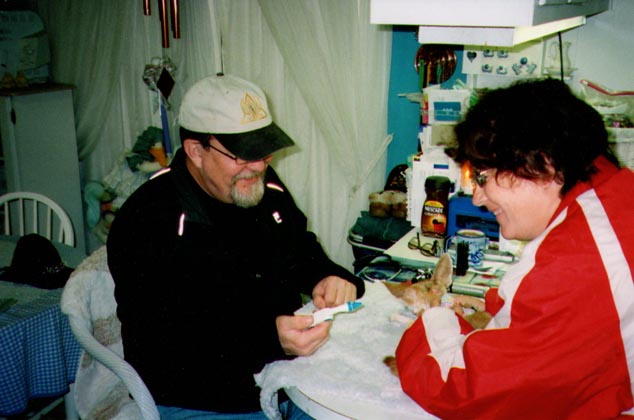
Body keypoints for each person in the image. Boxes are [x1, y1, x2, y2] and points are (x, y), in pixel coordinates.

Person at [107, 73, 365, 419]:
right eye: (243, 155)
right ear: (196, 151)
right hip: (200, 398)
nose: (258, 167)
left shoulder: (258, 185)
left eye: (263, 153)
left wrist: (328, 277)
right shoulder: (148, 221)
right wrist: (270, 341)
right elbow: (165, 344)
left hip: (285, 377)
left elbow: (299, 250)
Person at [395, 78, 634, 418]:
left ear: (541, 163)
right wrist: (494, 304)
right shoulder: (618, 192)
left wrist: (434, 318)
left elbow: (463, 390)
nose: (477, 198)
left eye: (482, 176)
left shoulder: (578, 258)